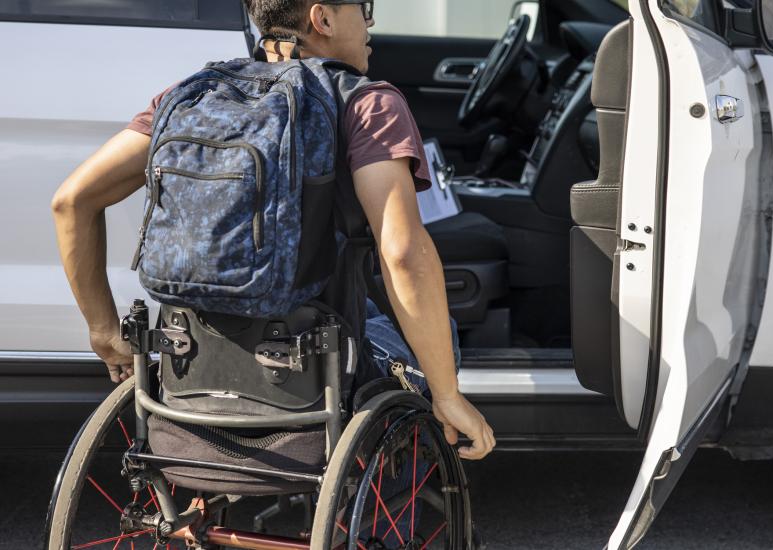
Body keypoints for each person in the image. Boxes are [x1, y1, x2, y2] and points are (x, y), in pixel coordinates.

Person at [51, 0, 495, 460]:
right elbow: (402, 253)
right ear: (321, 18)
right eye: (363, 7)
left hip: (190, 360)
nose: (371, 21)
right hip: (310, 367)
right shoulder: (367, 103)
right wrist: (447, 396)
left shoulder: (188, 97)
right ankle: (392, 505)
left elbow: (71, 201)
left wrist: (104, 331)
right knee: (437, 327)